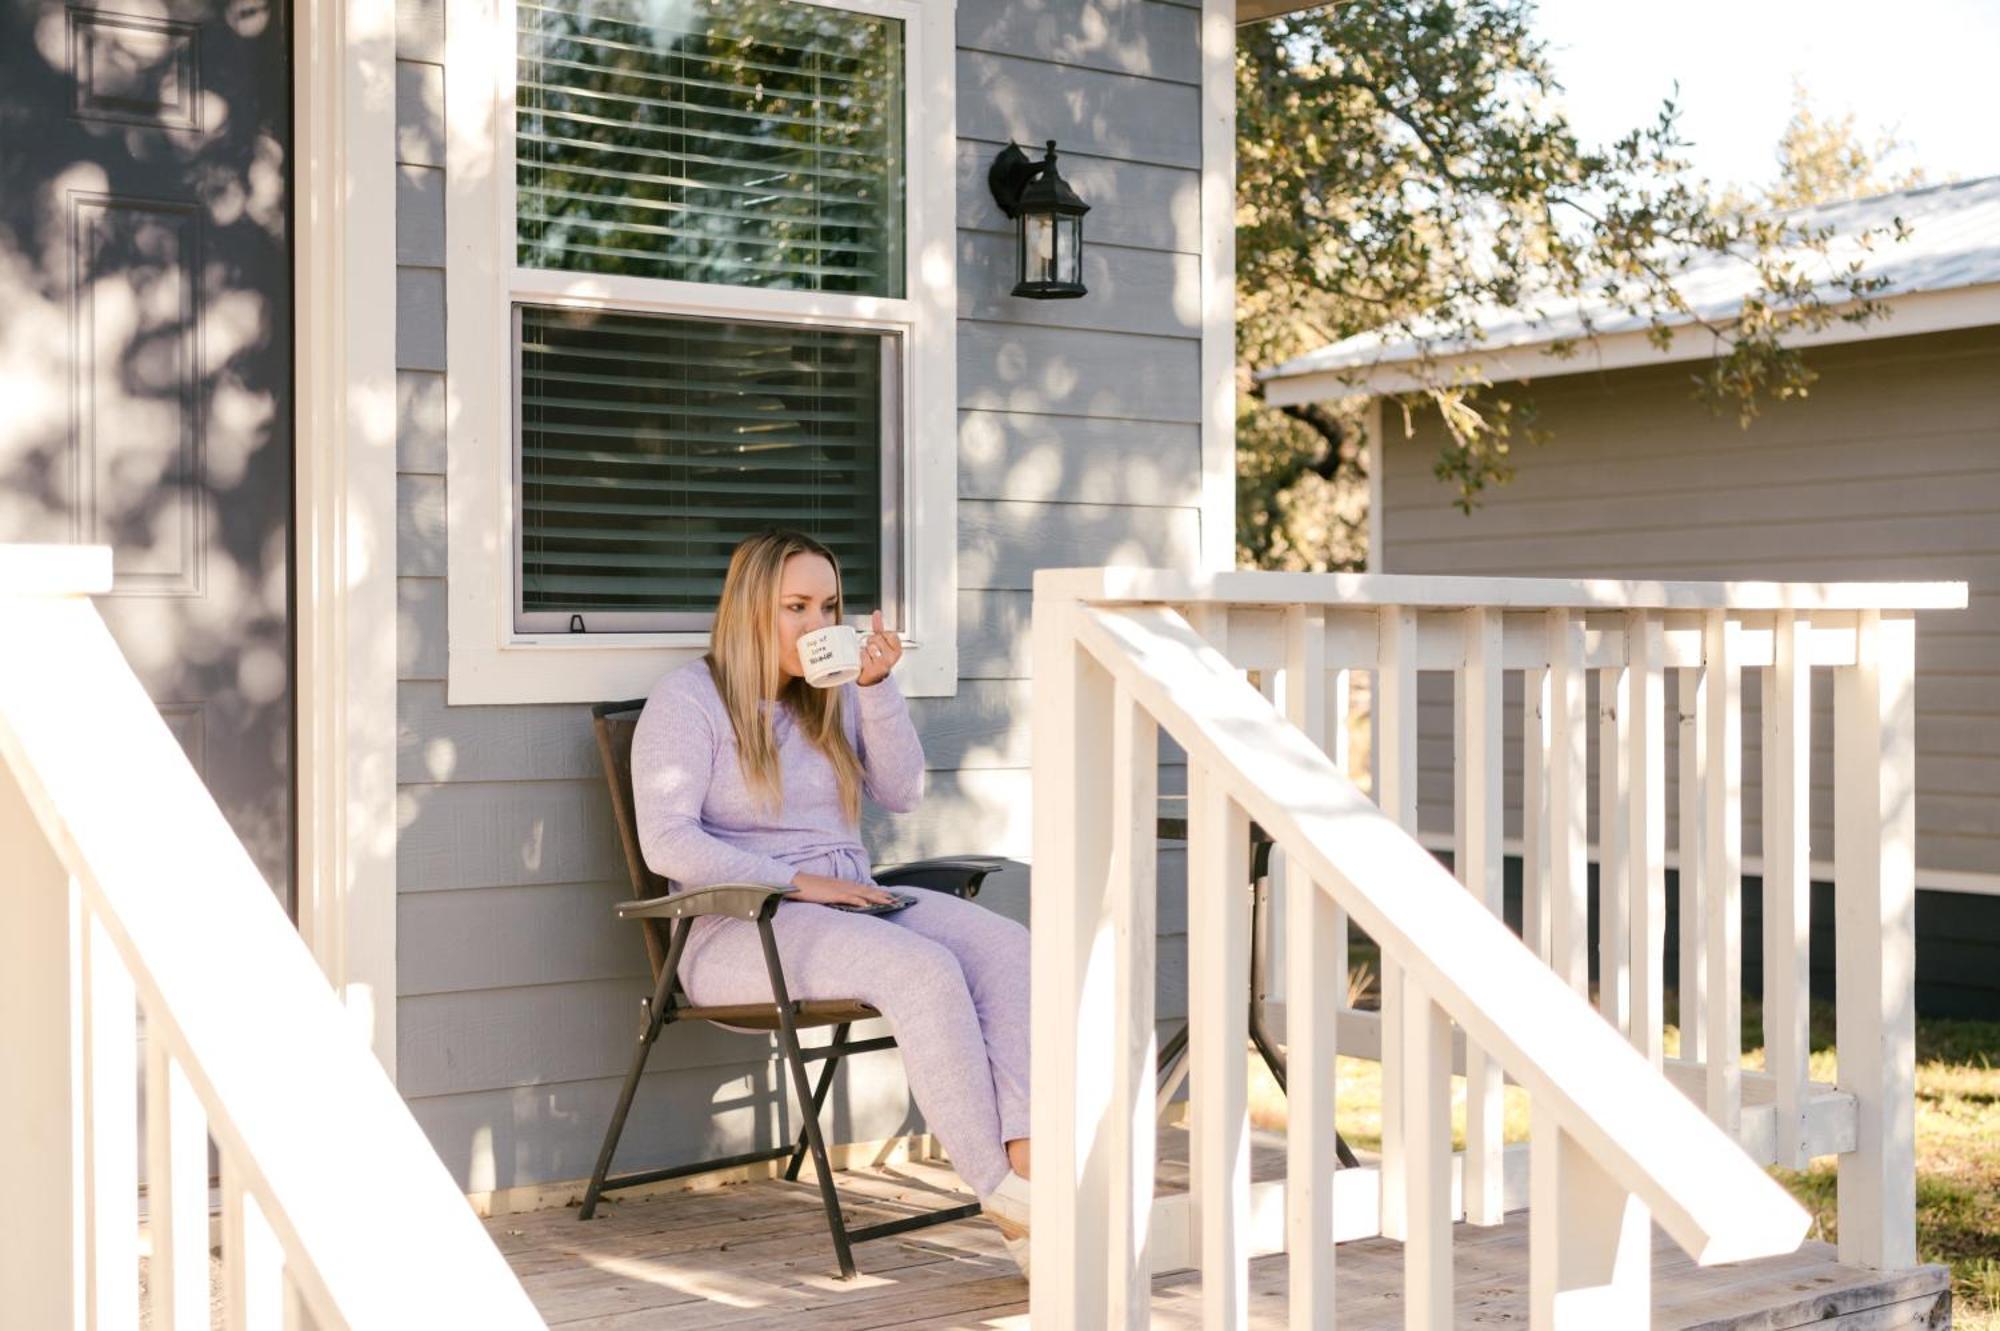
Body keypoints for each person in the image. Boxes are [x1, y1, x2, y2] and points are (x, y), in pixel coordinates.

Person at [630, 529, 1033, 1275]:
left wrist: (876, 689)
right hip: (738, 925)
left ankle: (1031, 1170)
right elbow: (666, 842)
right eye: (796, 607)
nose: (819, 625)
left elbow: (903, 791)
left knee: (1012, 949)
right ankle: (1005, 1195)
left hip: (852, 901)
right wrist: (800, 883)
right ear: (751, 610)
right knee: (922, 970)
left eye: (830, 606)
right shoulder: (690, 698)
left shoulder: (832, 695)